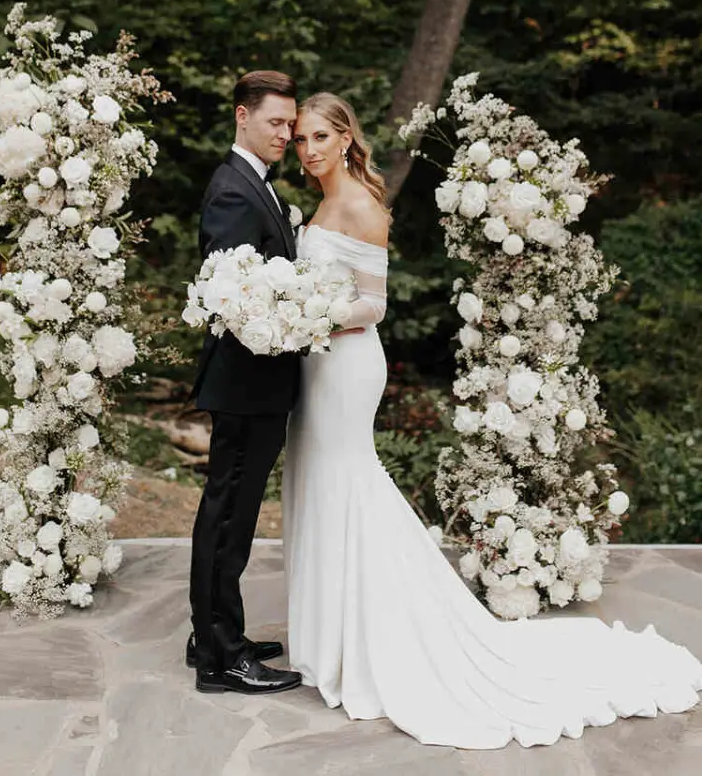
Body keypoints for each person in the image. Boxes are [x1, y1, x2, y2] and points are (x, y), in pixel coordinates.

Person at [283, 91, 702, 748]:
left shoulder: (364, 204)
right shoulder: (321, 201)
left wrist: (311, 312)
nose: (307, 150)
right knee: (321, 485)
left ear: (344, 137)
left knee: (348, 483)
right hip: (315, 362)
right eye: (300, 139)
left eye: (317, 137)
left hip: (347, 364)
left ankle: (376, 635)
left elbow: (375, 304)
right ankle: (333, 633)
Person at [188, 71, 302, 695]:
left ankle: (212, 633)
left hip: (255, 383)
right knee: (228, 519)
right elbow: (231, 296)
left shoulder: (255, 184)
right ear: (242, 117)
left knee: (232, 515)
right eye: (274, 123)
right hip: (244, 382)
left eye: (290, 123)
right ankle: (221, 659)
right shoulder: (235, 192)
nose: (285, 133)